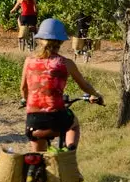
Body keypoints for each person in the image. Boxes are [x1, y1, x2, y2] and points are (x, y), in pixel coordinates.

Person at [21, 18, 103, 155]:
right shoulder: (66, 63)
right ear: (60, 41)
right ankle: (69, 153)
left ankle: (34, 171)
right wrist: (96, 94)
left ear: (40, 39)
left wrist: (26, 100)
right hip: (56, 117)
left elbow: (24, 89)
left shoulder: (29, 61)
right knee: (74, 124)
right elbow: (85, 86)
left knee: (38, 156)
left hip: (33, 119)